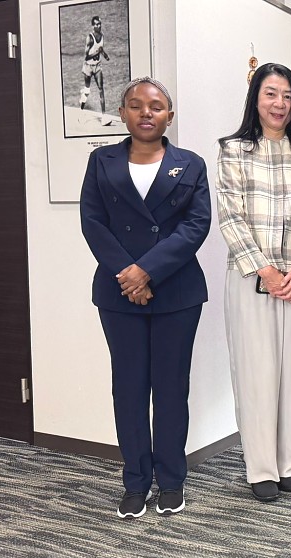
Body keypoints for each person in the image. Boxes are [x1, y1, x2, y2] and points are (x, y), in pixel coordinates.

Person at [80, 77, 210, 518]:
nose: (146, 112)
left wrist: (147, 270)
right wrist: (128, 274)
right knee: (129, 390)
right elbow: (93, 222)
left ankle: (172, 480)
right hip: (119, 294)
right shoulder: (102, 161)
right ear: (122, 113)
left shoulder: (189, 164)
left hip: (177, 291)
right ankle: (135, 482)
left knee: (171, 390)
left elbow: (196, 226)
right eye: (136, 105)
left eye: (156, 106)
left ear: (169, 116)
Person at [216, 63, 291, 503]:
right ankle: (260, 468)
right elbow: (230, 215)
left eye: (287, 96)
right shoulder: (233, 150)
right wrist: (266, 269)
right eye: (271, 94)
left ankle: (287, 463)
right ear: (255, 100)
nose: (280, 104)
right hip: (251, 277)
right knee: (257, 375)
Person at [80, 16, 111, 123]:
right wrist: (97, 52)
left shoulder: (102, 36)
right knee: (87, 91)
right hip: (88, 66)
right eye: (97, 24)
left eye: (100, 24)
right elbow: (86, 56)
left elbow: (100, 48)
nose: (99, 26)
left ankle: (104, 117)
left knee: (101, 89)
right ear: (93, 26)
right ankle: (81, 111)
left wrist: (105, 55)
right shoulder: (89, 38)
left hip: (97, 66)